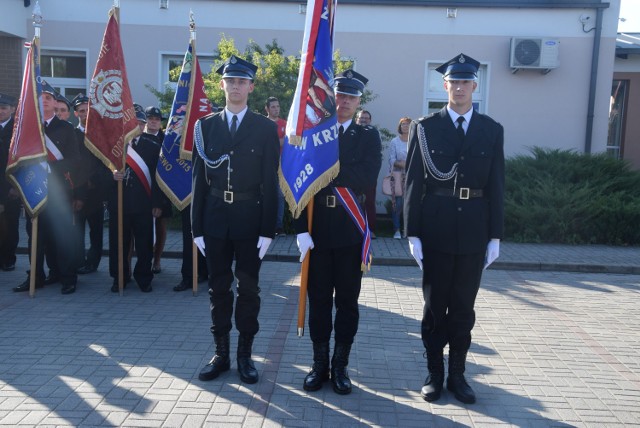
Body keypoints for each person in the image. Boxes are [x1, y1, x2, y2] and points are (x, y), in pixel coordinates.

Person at [404, 53, 504, 404]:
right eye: (453, 81)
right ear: (443, 85)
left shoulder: (491, 130)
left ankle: (458, 374)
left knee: (463, 307)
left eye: (465, 82)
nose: (459, 87)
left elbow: (497, 184)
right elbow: (415, 181)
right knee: (435, 306)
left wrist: (495, 235)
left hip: (475, 229)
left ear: (475, 86)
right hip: (436, 228)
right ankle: (434, 372)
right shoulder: (426, 127)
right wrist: (412, 232)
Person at [191, 55, 279, 384]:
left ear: (251, 87)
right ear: (222, 84)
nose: (236, 86)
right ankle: (221, 354)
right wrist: (196, 227)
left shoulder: (265, 128)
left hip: (249, 221)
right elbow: (199, 180)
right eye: (231, 81)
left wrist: (268, 230)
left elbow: (270, 181)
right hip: (214, 220)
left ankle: (245, 356)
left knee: (249, 291)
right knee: (218, 289)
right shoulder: (205, 126)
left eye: (242, 81)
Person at [295, 70, 382, 395]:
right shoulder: (314, 133)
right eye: (340, 95)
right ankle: (318, 365)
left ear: (359, 101)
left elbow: (366, 176)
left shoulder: (368, 136)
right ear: (331, 98)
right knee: (318, 301)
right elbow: (300, 182)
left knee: (347, 303)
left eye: (351, 97)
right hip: (317, 232)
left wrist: (328, 169)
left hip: (349, 232)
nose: (344, 102)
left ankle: (340, 366)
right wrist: (301, 229)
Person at [13, 80, 83, 294]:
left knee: (61, 236)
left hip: (58, 190)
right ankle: (36, 276)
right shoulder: (27, 128)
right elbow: (18, 158)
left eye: (49, 98)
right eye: (41, 97)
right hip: (33, 188)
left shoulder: (66, 128)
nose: (44, 101)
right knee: (35, 236)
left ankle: (67, 277)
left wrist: (49, 166)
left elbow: (74, 160)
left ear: (55, 103)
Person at [107, 110, 164, 293]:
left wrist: (157, 203)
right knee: (118, 244)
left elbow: (158, 178)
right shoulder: (115, 146)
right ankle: (119, 277)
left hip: (143, 204)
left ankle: (144, 278)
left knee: (144, 244)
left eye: (140, 123)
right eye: (134, 123)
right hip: (119, 204)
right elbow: (100, 171)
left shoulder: (153, 146)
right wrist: (112, 175)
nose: (137, 126)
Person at [73, 93, 110, 275]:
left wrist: (93, 181)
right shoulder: (72, 134)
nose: (85, 113)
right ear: (76, 114)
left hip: (95, 192)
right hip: (76, 191)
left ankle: (93, 263)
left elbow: (105, 162)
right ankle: (78, 261)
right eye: (81, 111)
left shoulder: (99, 135)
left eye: (87, 110)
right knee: (77, 229)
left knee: (96, 231)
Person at [143, 106, 170, 274]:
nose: (153, 121)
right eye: (150, 118)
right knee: (138, 228)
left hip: (161, 188)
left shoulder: (166, 139)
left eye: (157, 119)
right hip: (142, 188)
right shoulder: (136, 136)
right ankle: (139, 261)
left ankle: (157, 260)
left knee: (160, 227)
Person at [0, 93, 20, 272]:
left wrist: (16, 186)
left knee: (10, 224)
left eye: (4, 108)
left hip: (9, 186)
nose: (0, 111)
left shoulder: (17, 129)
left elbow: (22, 160)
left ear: (12, 110)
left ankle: (8, 258)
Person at [265, 96, 287, 236]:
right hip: (265, 163)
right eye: (273, 107)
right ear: (266, 108)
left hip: (281, 164)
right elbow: (268, 144)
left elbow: (289, 143)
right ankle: (264, 225)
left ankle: (278, 227)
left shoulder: (285, 123)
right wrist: (282, 140)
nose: (276, 109)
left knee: (280, 195)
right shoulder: (262, 123)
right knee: (264, 195)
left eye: (277, 106)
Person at [355, 109, 378, 238]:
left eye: (366, 118)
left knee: (369, 202)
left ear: (370, 120)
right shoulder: (350, 132)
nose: (363, 120)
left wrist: (372, 175)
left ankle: (370, 230)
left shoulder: (374, 134)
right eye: (360, 118)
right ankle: (354, 228)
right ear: (356, 119)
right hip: (353, 175)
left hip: (369, 175)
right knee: (353, 201)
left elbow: (376, 157)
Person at [388, 117, 411, 239]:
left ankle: (407, 230)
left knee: (410, 204)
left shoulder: (414, 140)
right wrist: (400, 163)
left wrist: (408, 164)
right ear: (400, 127)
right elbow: (391, 159)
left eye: (407, 124)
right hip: (397, 177)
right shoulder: (394, 141)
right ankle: (397, 230)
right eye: (403, 124)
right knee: (398, 203)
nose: (405, 126)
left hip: (412, 176)